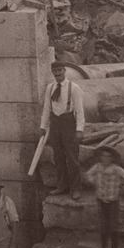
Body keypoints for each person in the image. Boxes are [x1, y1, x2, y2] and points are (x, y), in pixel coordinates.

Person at [41, 61, 86, 199]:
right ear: (52, 72)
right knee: (58, 157)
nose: (57, 73)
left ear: (64, 71)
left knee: (72, 158)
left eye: (60, 70)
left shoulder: (74, 88)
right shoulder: (50, 88)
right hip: (55, 125)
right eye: (55, 71)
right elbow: (47, 109)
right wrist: (43, 127)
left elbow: (79, 110)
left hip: (68, 124)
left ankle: (76, 188)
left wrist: (79, 129)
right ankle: (61, 186)